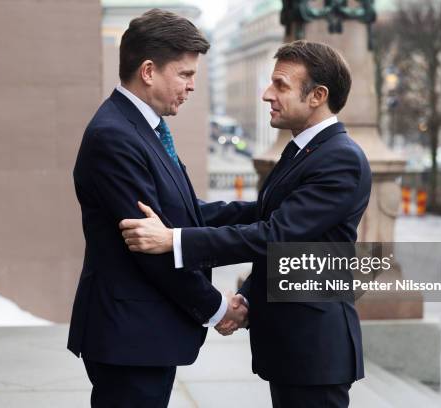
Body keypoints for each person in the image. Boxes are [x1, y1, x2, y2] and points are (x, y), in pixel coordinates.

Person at [120, 40, 372, 408]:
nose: (268, 94)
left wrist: (175, 241)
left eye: (281, 86)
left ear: (318, 95)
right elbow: (265, 219)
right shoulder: (305, 149)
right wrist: (247, 296)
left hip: (314, 349)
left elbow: (276, 235)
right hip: (294, 345)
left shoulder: (341, 159)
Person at [66, 9, 249, 408]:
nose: (192, 86)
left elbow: (182, 215)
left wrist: (262, 212)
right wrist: (217, 309)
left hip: (141, 335)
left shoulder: (141, 128)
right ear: (148, 70)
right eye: (185, 74)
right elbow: (151, 251)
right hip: (128, 338)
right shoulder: (114, 136)